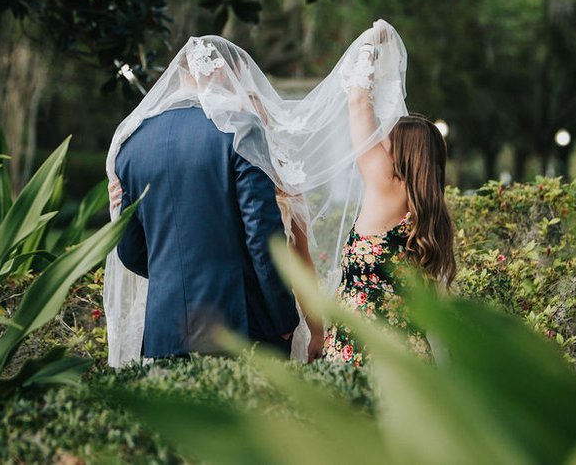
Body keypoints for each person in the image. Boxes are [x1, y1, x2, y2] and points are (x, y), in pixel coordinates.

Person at [104, 21, 410, 367]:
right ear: (221, 72)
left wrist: (175, 275)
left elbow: (130, 251)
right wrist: (282, 318)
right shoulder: (238, 131)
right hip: (242, 325)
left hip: (166, 333)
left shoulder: (132, 144)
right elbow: (263, 238)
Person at [321, 33, 456, 367]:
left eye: (387, 141)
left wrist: (370, 45)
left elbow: (358, 103)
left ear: (404, 154)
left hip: (365, 353)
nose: (380, 143)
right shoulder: (430, 211)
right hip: (409, 354)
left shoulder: (386, 185)